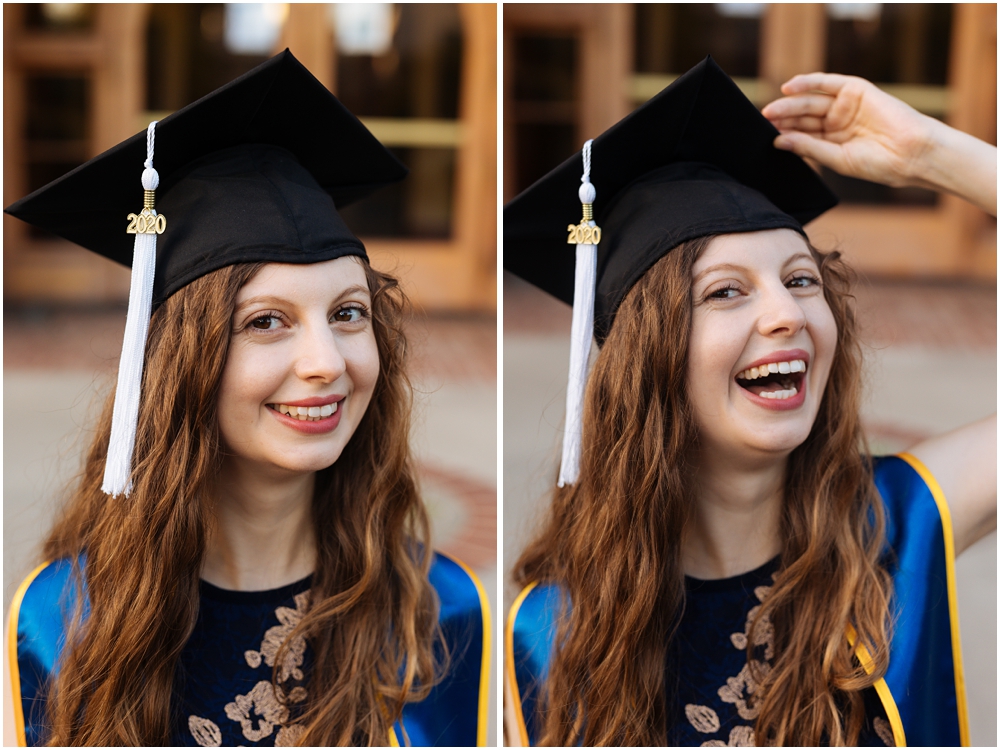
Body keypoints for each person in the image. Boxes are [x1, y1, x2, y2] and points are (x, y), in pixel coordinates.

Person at [503, 57, 995, 747]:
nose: (786, 315)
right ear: (648, 359)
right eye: (726, 291)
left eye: (800, 279)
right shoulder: (548, 633)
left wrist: (936, 156)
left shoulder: (900, 525)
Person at [4, 51, 489, 747]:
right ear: (181, 365)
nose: (326, 363)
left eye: (348, 314)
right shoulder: (63, 621)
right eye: (267, 321)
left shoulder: (436, 612)